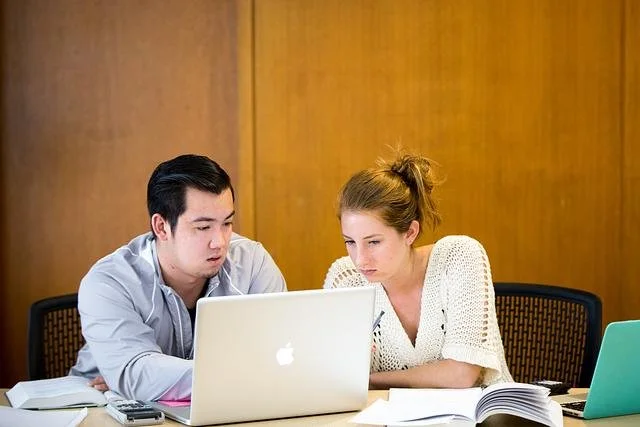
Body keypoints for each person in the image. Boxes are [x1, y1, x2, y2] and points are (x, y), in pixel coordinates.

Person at [70, 154, 287, 400]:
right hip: (101, 407)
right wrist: (140, 380)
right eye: (203, 227)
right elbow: (137, 376)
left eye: (227, 223)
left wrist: (161, 381)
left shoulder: (252, 262)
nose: (220, 242)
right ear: (161, 227)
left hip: (220, 405)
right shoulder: (109, 282)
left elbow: (282, 351)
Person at [323, 151, 512, 389]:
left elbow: (462, 375)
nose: (360, 260)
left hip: (479, 411)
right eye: (350, 242)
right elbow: (334, 374)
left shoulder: (459, 256)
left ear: (410, 233)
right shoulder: (345, 279)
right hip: (382, 412)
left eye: (374, 242)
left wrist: (369, 380)